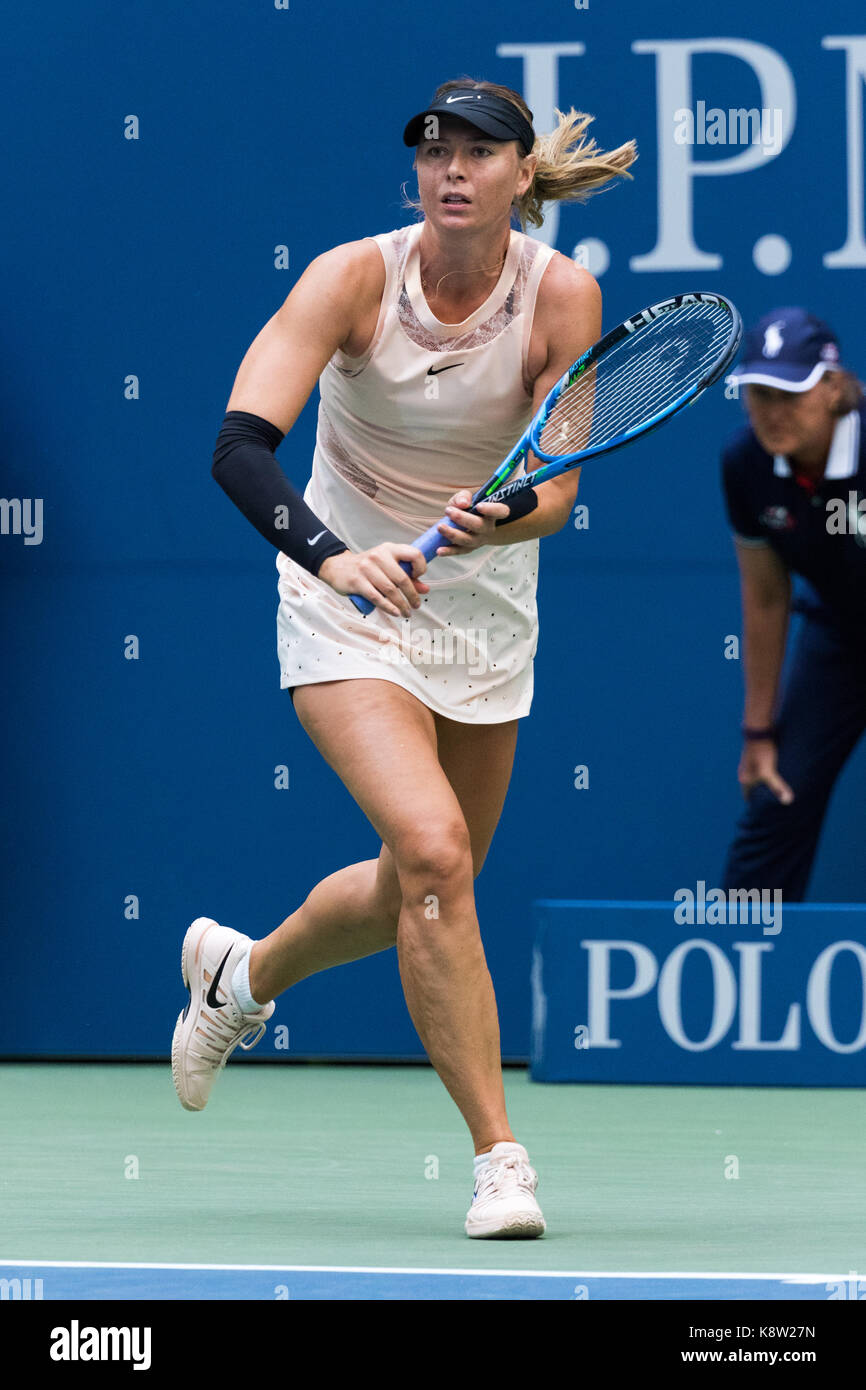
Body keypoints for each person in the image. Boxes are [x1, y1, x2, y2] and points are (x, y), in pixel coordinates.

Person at [172, 78, 636, 1237]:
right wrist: (333, 559)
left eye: (481, 152)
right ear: (415, 175)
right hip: (342, 596)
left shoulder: (562, 297)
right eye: (434, 151)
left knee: (420, 883)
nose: (454, 169)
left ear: (521, 176)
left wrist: (505, 510)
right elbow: (239, 449)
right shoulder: (350, 278)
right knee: (433, 850)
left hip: (481, 611)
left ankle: (243, 977)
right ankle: (500, 1157)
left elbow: (560, 489)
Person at [720, 306, 866, 901]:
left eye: (790, 394)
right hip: (840, 637)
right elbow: (766, 594)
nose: (772, 412)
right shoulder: (746, 464)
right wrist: (759, 731)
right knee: (780, 794)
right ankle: (742, 962)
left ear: (833, 389)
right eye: (759, 393)